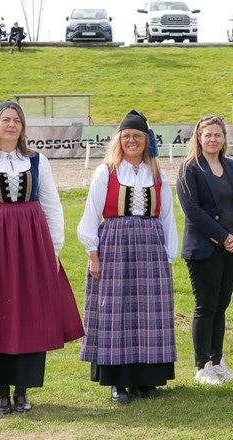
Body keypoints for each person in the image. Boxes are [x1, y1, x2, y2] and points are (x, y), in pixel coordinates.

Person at [0, 100, 83, 415]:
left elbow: (51, 205)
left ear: (23, 127)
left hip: (31, 246)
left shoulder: (37, 160)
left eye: (17, 120)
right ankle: (1, 391)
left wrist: (53, 250)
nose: (11, 125)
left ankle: (23, 390)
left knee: (29, 314)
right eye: (5, 120)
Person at [77, 110, 178, 404]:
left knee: (149, 312)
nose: (132, 141)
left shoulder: (158, 174)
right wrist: (93, 254)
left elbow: (168, 218)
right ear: (119, 140)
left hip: (151, 247)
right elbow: (91, 214)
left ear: (147, 140)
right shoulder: (106, 172)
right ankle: (118, 382)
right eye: (127, 136)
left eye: (137, 136)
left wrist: (169, 257)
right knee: (115, 311)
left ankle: (146, 380)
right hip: (115, 245)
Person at [177, 115, 233, 385]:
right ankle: (203, 366)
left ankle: (218, 360)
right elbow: (193, 210)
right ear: (198, 138)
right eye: (207, 135)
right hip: (204, 248)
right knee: (206, 306)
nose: (212, 139)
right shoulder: (189, 169)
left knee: (221, 306)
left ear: (224, 138)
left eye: (217, 135)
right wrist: (223, 237)